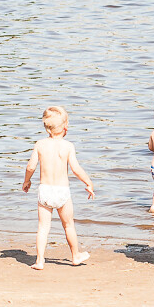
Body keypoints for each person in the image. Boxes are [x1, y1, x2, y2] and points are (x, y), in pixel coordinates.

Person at [21, 106, 94, 271]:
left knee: (43, 227)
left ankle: (39, 260)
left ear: (46, 128)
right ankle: (75, 256)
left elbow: (31, 166)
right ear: (66, 127)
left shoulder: (40, 144)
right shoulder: (68, 146)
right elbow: (76, 169)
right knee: (68, 225)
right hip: (62, 192)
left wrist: (26, 181)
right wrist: (88, 183)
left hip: (45, 191)